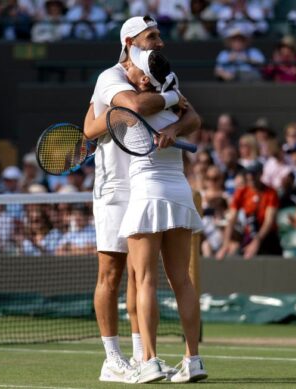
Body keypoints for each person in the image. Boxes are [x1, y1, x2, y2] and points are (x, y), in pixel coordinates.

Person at [80, 15, 201, 383]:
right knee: (112, 273)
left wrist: (175, 124)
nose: (160, 42)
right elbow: (130, 107)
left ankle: (141, 356)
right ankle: (112, 358)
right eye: (153, 36)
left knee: (139, 276)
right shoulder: (110, 78)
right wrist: (168, 97)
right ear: (130, 42)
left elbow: (192, 114)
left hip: (147, 185)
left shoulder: (159, 73)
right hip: (116, 187)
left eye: (160, 36)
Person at [114, 47, 207, 384]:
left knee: (145, 279)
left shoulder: (127, 99)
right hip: (179, 192)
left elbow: (132, 109)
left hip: (149, 194)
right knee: (181, 278)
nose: (126, 67)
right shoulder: (175, 99)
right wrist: (176, 125)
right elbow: (193, 117)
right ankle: (193, 359)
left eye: (132, 66)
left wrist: (175, 130)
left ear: (142, 77)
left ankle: (150, 360)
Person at [217, 162, 282, 259]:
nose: (250, 177)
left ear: (260, 174)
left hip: (267, 236)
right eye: (248, 174)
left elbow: (269, 221)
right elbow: (232, 219)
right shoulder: (241, 192)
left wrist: (257, 241)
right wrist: (225, 244)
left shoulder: (270, 193)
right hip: (250, 233)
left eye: (254, 174)